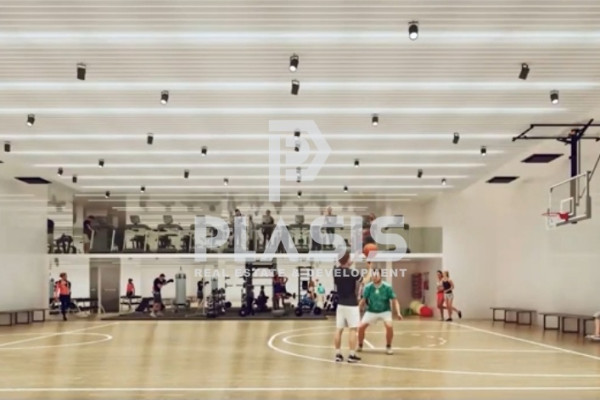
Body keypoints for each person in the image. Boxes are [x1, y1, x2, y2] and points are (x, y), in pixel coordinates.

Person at [333, 250, 371, 363]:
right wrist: (370, 268)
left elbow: (345, 265)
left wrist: (352, 258)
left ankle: (338, 354)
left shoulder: (336, 272)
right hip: (351, 305)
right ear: (347, 260)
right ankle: (351, 355)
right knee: (353, 330)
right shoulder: (353, 273)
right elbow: (365, 281)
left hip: (340, 305)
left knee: (338, 330)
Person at [358, 269, 402, 355]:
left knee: (389, 326)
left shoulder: (387, 287)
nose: (374, 277)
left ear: (380, 276)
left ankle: (388, 346)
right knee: (361, 327)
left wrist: (398, 313)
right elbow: (363, 300)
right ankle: (360, 345)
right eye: (373, 276)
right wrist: (358, 310)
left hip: (385, 311)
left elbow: (395, 300)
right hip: (371, 311)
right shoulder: (368, 287)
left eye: (376, 275)